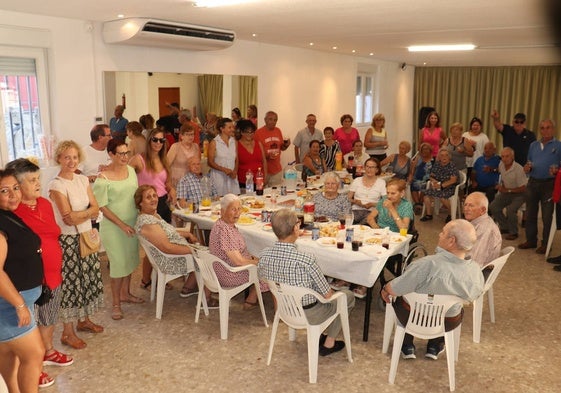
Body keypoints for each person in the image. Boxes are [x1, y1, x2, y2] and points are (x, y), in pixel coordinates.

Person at [6, 159, 73, 388]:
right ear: (18, 185)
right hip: (31, 281)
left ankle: (49, 351)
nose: (38, 184)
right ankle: (36, 368)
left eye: (38, 179)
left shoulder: (44, 203)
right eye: (32, 180)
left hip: (53, 274)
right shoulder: (14, 212)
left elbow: (53, 232)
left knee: (49, 318)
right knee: (30, 327)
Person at [382, 219, 484, 360]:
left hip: (411, 317)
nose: (439, 235)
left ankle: (406, 344)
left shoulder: (426, 264)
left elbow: (395, 289)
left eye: (443, 232)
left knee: (404, 295)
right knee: (452, 307)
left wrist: (385, 288)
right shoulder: (475, 271)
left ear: (451, 241)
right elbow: (473, 296)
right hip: (448, 322)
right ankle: (435, 345)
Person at [258, 208, 355, 356]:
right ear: (296, 228)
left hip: (285, 309)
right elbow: (328, 294)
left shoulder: (264, 254)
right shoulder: (306, 260)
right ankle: (329, 342)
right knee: (347, 295)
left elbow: (262, 277)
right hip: (310, 313)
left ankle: (321, 334)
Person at [48, 141, 104, 350]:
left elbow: (95, 206)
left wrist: (82, 214)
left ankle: (84, 320)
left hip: (86, 235)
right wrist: (88, 214)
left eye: (74, 157)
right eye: (66, 157)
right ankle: (67, 333)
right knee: (71, 285)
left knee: (87, 279)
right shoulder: (56, 185)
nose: (71, 161)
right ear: (59, 159)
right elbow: (67, 219)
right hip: (68, 240)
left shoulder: (82, 179)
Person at [0, 169, 45, 392]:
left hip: (11, 306)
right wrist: (19, 304)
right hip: (8, 308)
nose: (13, 195)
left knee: (9, 354)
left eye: (15, 188)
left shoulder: (7, 216)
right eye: (4, 191)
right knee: (34, 354)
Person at [134, 185, 215, 306]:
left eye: (154, 195)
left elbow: (168, 231)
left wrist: (187, 234)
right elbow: (167, 247)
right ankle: (207, 299)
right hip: (169, 261)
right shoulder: (148, 222)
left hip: (169, 256)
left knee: (204, 249)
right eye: (148, 197)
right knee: (209, 256)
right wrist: (192, 250)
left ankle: (189, 288)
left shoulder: (152, 216)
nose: (153, 199)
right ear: (140, 203)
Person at [93, 139, 142, 321]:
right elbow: (102, 206)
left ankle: (126, 294)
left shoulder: (130, 171)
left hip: (132, 222)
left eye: (126, 153)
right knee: (117, 264)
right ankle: (115, 303)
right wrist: (122, 225)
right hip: (114, 227)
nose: (124, 157)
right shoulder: (103, 178)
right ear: (111, 155)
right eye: (120, 153)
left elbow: (136, 195)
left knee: (129, 260)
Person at [129, 128, 176, 289]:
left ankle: (162, 277)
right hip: (147, 205)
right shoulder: (138, 159)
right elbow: (124, 173)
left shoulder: (164, 160)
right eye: (155, 140)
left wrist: (172, 189)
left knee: (165, 243)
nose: (158, 143)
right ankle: (145, 280)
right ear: (149, 141)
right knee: (152, 246)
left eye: (161, 141)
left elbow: (167, 182)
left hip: (162, 203)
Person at [208, 194, 269, 310]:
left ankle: (253, 294)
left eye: (239, 209)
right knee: (269, 268)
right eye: (233, 209)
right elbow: (238, 261)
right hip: (228, 274)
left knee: (262, 261)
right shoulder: (226, 231)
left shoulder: (221, 224)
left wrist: (255, 259)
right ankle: (252, 298)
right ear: (222, 211)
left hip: (219, 269)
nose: (237, 213)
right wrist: (258, 263)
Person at [518, 119, 561, 254]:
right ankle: (531, 240)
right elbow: (529, 162)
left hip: (549, 184)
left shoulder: (559, 145)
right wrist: (527, 168)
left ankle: (546, 244)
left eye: (548, 127)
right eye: (542, 128)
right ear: (539, 130)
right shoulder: (533, 145)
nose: (545, 130)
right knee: (530, 214)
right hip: (533, 182)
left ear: (553, 129)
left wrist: (557, 170)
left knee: (547, 217)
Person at [489, 147, 528, 241]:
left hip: (520, 194)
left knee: (510, 209)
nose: (504, 159)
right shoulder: (501, 165)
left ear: (512, 157)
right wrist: (500, 186)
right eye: (502, 156)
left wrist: (508, 190)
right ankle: (505, 227)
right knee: (493, 206)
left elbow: (523, 188)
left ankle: (514, 232)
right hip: (507, 192)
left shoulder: (518, 169)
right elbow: (501, 175)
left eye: (507, 156)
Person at [463, 192, 502, 268]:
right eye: (465, 205)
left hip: (476, 273)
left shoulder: (485, 229)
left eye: (471, 205)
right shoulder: (478, 222)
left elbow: (475, 262)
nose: (466, 209)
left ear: (483, 210)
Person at [420, 148, 459, 223]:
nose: (444, 157)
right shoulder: (437, 164)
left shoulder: (452, 166)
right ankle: (429, 214)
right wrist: (434, 181)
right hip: (438, 186)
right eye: (442, 155)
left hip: (449, 187)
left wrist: (441, 186)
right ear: (439, 157)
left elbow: (453, 180)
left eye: (446, 155)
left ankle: (451, 214)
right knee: (426, 195)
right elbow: (431, 176)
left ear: (449, 157)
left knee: (442, 197)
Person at [254, 111, 290, 186]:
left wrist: (286, 145)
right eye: (270, 119)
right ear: (265, 120)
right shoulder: (258, 133)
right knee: (262, 194)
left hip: (276, 170)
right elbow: (255, 153)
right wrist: (267, 156)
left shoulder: (278, 130)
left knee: (276, 194)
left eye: (275, 120)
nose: (273, 122)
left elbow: (281, 148)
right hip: (263, 170)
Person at [348, 157, 386, 224]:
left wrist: (373, 204)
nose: (369, 169)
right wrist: (356, 201)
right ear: (364, 168)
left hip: (372, 212)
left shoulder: (381, 183)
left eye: (372, 167)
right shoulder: (357, 180)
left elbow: (386, 202)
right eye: (367, 167)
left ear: (377, 169)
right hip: (356, 210)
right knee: (349, 222)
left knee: (364, 225)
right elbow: (348, 198)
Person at [208, 117, 240, 196]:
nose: (232, 129)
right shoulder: (214, 142)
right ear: (222, 129)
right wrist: (223, 169)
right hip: (219, 177)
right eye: (229, 127)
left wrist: (235, 171)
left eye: (233, 127)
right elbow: (210, 162)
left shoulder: (234, 141)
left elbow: (236, 159)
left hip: (232, 177)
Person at [236, 119, 267, 190]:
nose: (250, 134)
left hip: (259, 180)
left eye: (252, 132)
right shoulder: (236, 144)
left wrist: (265, 177)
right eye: (247, 132)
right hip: (243, 181)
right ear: (241, 132)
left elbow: (264, 161)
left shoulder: (258, 143)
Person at [167, 123, 200, 187]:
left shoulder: (196, 147)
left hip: (191, 181)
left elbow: (198, 164)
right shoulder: (175, 147)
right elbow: (166, 165)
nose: (190, 137)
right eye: (187, 134)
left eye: (192, 134)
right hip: (176, 182)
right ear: (181, 136)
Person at [463, 117, 489, 189]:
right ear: (471, 126)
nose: (475, 127)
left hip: (478, 163)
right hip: (466, 162)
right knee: (465, 181)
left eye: (477, 125)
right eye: (474, 125)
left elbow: (487, 150)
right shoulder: (465, 135)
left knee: (475, 182)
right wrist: (469, 145)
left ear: (480, 127)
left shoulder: (484, 137)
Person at [409, 142, 434, 213]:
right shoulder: (418, 158)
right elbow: (413, 169)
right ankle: (418, 204)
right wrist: (411, 175)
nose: (424, 151)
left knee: (425, 184)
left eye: (427, 149)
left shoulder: (433, 160)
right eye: (423, 149)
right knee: (413, 183)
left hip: (428, 179)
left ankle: (419, 203)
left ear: (430, 150)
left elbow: (435, 172)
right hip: (417, 177)